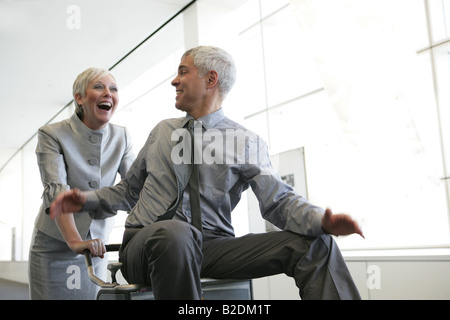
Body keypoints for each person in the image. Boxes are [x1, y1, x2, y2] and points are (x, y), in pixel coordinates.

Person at [50, 46, 364, 300]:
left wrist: (321, 220)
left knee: (316, 244)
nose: (174, 81)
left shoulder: (246, 142)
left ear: (210, 79)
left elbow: (278, 203)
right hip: (147, 245)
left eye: (183, 72)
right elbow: (128, 191)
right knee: (176, 233)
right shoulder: (162, 132)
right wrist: (85, 199)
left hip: (211, 247)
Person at [28, 67, 135, 300]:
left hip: (96, 247)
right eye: (99, 87)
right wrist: (76, 241)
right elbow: (56, 190)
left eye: (113, 89)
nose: (108, 93)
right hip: (54, 246)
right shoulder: (52, 134)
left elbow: (134, 190)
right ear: (79, 98)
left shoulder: (122, 136)